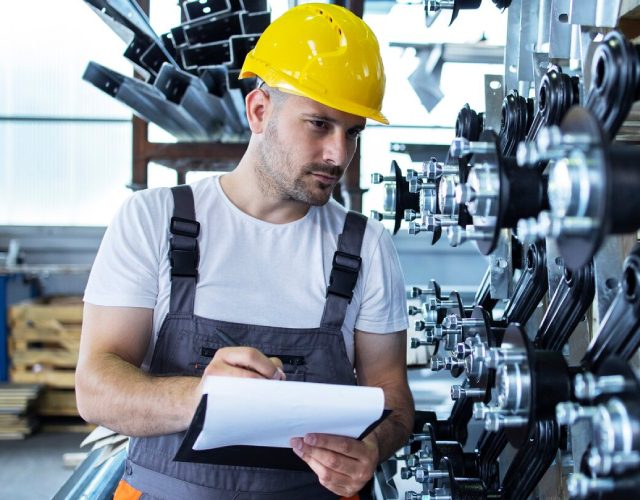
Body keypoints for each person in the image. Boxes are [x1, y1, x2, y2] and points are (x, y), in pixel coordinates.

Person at [75, 4, 414, 499]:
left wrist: (374, 447)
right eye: (319, 124)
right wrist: (205, 397)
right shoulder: (154, 222)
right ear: (260, 111)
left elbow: (395, 402)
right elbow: (95, 389)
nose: (339, 154)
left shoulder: (367, 248)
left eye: (353, 132)